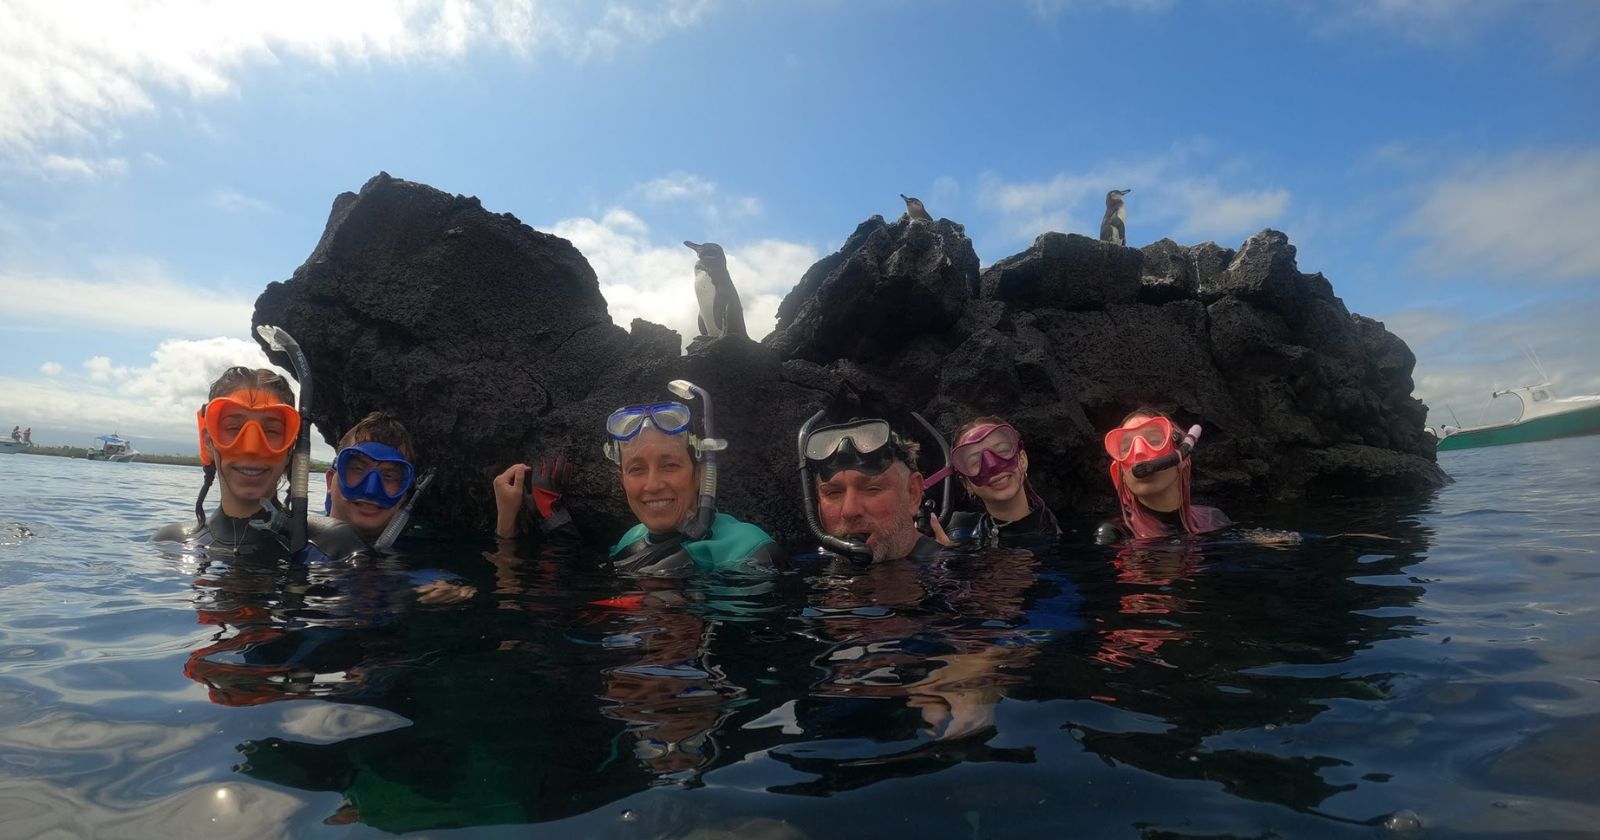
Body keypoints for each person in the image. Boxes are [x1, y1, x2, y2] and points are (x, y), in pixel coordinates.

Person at [493, 381, 785, 576]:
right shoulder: (630, 541)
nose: (653, 484)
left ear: (699, 475)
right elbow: (569, 579)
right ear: (621, 479)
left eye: (670, 465)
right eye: (636, 469)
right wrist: (515, 521)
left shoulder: (750, 550)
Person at [154, 367, 301, 550]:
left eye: (271, 431)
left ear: (291, 448)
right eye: (234, 428)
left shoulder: (330, 547)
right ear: (209, 441)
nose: (251, 449)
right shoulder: (171, 544)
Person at [798, 413, 944, 563]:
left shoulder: (950, 572)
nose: (850, 511)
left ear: (913, 493)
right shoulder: (805, 567)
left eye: (871, 489)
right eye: (833, 492)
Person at [1095, 407, 1230, 545]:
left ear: (1182, 459)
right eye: (1126, 448)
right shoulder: (1116, 534)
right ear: (1119, 475)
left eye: (1154, 441)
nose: (1139, 454)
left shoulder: (1213, 520)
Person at [929, 416, 1061, 550]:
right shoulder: (955, 527)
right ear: (967, 484)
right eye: (975, 462)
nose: (992, 465)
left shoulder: (1054, 539)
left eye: (1002, 451)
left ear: (1022, 460)